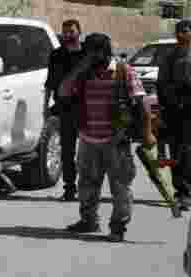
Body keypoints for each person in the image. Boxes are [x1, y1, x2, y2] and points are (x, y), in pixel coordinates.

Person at [57, 32, 155, 241]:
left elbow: (142, 104)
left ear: (104, 52)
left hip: (116, 140)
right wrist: (81, 68)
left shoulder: (123, 71)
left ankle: (118, 227)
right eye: (88, 52)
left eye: (94, 52)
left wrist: (147, 133)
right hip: (87, 139)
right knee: (86, 184)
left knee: (120, 187)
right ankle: (89, 221)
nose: (91, 56)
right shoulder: (83, 73)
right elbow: (63, 92)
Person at [44, 19, 85, 201]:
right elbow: (50, 82)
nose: (68, 35)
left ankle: (87, 188)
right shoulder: (56, 55)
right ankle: (70, 188)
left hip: (86, 109)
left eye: (71, 31)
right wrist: (45, 106)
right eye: (65, 32)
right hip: (65, 109)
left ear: (79, 32)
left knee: (87, 153)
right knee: (67, 151)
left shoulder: (87, 54)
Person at [158, 19, 191, 210]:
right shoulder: (169, 57)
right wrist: (166, 105)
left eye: (185, 31)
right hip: (175, 110)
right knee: (179, 152)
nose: (181, 34)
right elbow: (161, 84)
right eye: (178, 31)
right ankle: (182, 192)